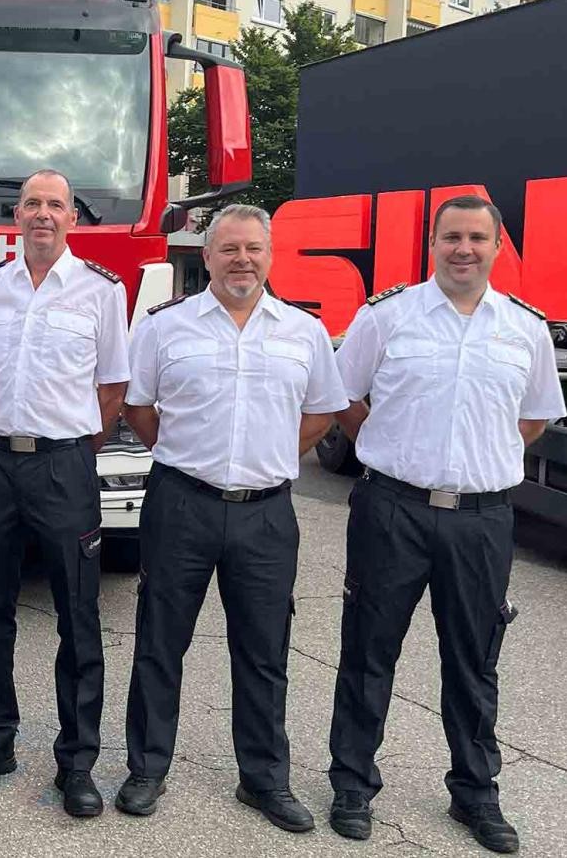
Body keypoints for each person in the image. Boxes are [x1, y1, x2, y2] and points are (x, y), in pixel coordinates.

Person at [327, 195, 565, 854]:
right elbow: (342, 394)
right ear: (431, 244)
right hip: (390, 510)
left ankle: (475, 794)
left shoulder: (524, 329)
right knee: (368, 650)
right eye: (451, 237)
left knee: (472, 661)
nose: (463, 248)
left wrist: (478, 459)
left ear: (495, 247)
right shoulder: (387, 316)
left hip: (481, 517)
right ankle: (351, 783)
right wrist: (388, 444)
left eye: (476, 238)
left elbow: (534, 417)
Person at [115, 203, 347, 832]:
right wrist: (187, 456)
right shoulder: (167, 328)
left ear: (270, 255)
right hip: (181, 503)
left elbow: (324, 412)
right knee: (161, 642)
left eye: (253, 249)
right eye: (229, 249)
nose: (242, 259)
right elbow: (138, 407)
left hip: (266, 515)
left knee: (264, 650)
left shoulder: (301, 332)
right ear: (207, 256)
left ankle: (264, 779)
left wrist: (270, 458)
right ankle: (147, 768)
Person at [0, 169, 129, 818]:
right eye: (33, 204)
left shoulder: (100, 292)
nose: (43, 214)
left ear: (71, 218)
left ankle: (75, 761)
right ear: (16, 215)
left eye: (55, 204)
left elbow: (111, 387)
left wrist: (73, 454)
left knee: (78, 619)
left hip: (63, 466)